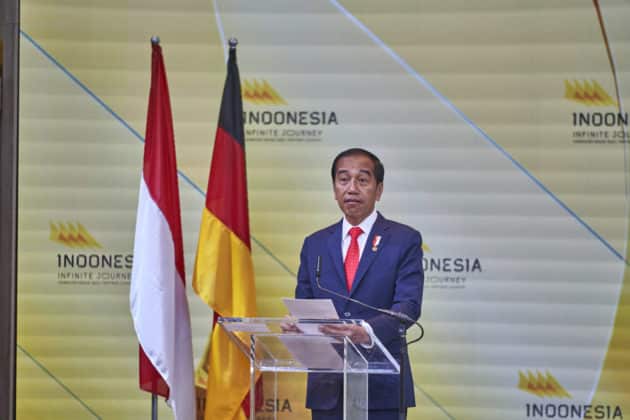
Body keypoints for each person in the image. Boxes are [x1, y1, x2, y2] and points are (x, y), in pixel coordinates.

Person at [293, 148, 424, 420]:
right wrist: (298, 325)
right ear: (334, 188)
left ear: (379, 190)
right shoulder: (315, 244)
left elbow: (408, 307)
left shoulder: (403, 240)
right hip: (327, 389)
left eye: (362, 180)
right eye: (343, 179)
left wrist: (366, 332)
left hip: (382, 388)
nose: (351, 188)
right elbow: (306, 305)